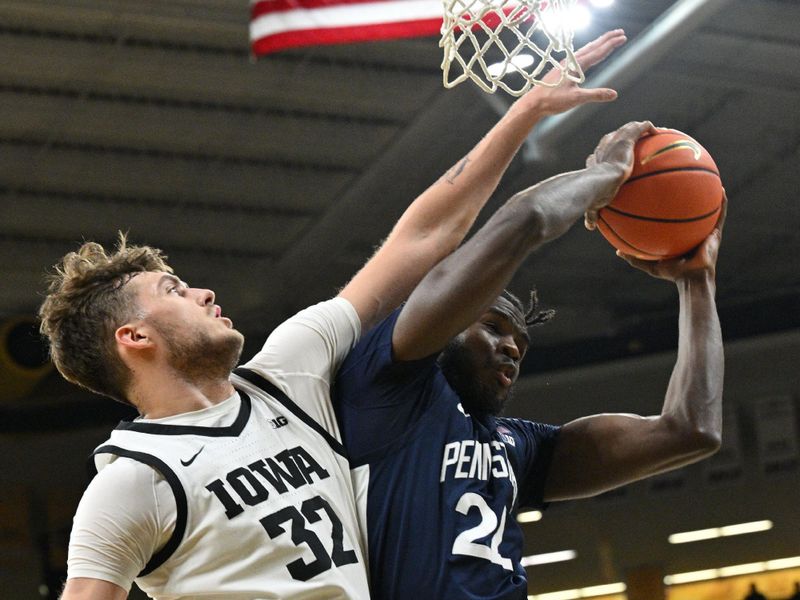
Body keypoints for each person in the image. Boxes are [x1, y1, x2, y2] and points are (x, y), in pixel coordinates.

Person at [38, 30, 628, 600]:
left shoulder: (287, 374)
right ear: (134, 336)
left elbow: (421, 238)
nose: (201, 292)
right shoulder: (134, 479)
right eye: (173, 290)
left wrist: (523, 114)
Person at [333, 120, 726, 599]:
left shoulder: (516, 446)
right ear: (443, 322)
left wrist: (696, 282)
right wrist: (609, 174)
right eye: (493, 327)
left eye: (520, 340)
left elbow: (692, 430)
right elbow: (527, 221)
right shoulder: (386, 388)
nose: (514, 348)